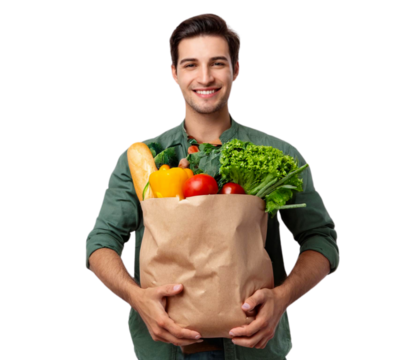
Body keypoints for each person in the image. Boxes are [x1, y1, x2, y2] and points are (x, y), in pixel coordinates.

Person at [83, 12, 341, 360]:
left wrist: (282, 298)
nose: (205, 77)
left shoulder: (279, 154)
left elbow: (322, 239)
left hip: (255, 347)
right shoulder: (139, 158)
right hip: (164, 348)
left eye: (217, 63)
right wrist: (137, 298)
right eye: (191, 65)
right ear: (173, 72)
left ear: (236, 68)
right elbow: (100, 242)